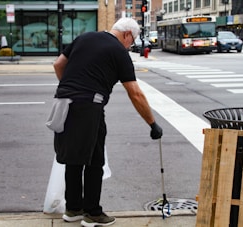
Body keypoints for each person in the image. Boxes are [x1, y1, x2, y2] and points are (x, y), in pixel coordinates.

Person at [51, 17, 163, 227]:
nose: (131, 45)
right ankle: (93, 213)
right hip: (89, 106)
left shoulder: (85, 38)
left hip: (63, 102)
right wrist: (152, 123)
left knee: (73, 157)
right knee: (95, 161)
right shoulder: (119, 52)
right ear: (127, 34)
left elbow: (58, 65)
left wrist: (71, 88)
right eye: (133, 40)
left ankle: (73, 208)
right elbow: (135, 94)